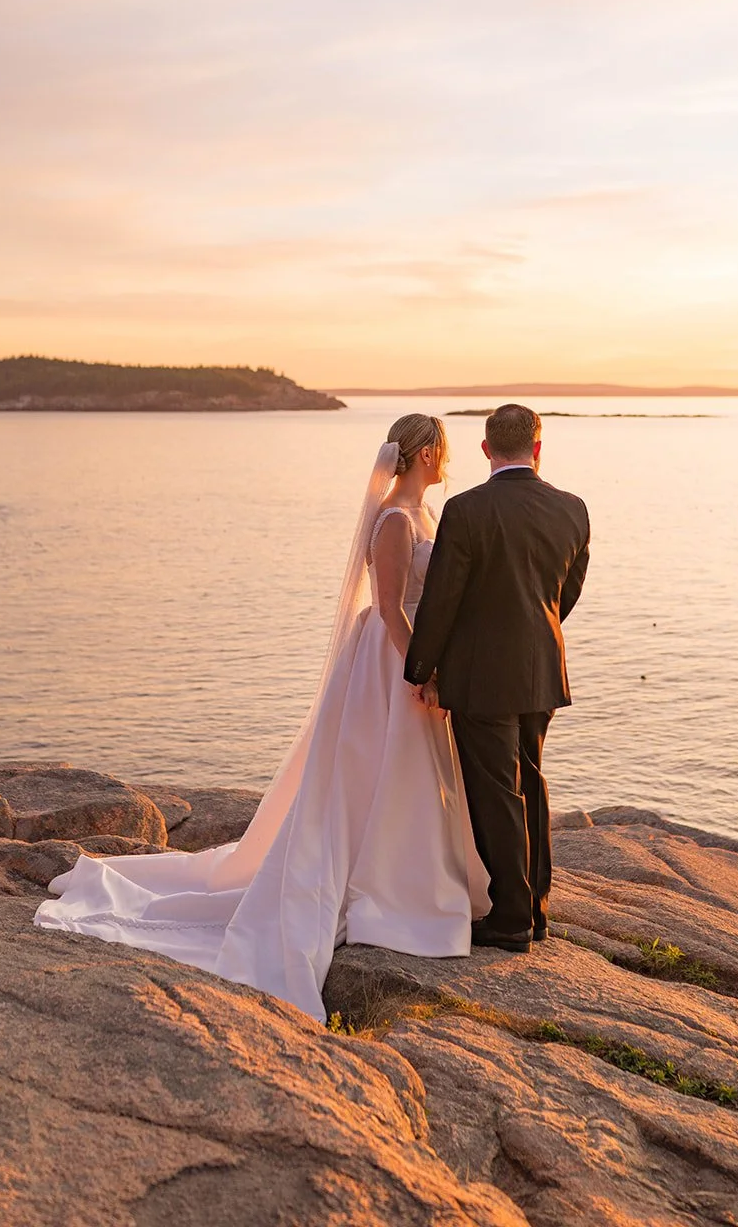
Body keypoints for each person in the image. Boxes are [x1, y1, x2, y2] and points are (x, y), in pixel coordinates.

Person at [34, 414, 488, 1022]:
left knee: (408, 778)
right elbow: (388, 608)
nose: (448, 460)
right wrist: (421, 674)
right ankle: (386, 890)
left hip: (408, 656)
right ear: (427, 452)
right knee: (377, 773)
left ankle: (416, 881)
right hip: (389, 661)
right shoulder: (396, 521)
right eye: (444, 450)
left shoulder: (427, 514)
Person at [405, 403, 590, 952]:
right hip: (542, 669)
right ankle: (535, 912)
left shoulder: (465, 510)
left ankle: (510, 918)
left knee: (496, 794)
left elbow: (442, 600)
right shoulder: (572, 508)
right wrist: (535, 637)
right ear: (538, 447)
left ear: (487, 449)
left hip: (480, 675)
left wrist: (420, 669)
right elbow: (567, 592)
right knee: (531, 782)